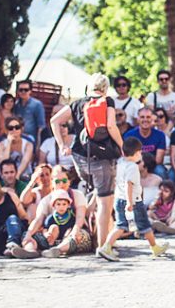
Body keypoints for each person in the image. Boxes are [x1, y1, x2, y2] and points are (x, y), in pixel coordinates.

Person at [50, 72, 124, 251]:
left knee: (97, 195)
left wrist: (62, 145)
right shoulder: (108, 102)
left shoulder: (77, 103)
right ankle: (103, 247)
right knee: (106, 203)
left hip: (80, 158)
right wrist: (122, 146)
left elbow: (54, 121)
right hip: (102, 158)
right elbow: (111, 126)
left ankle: (92, 226)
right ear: (105, 88)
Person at [98, 137, 170, 261]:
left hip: (119, 199)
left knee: (120, 225)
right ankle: (154, 247)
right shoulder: (132, 167)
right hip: (134, 201)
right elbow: (129, 184)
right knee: (144, 225)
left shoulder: (120, 163)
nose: (140, 155)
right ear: (137, 153)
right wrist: (130, 202)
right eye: (140, 152)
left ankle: (107, 246)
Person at [23, 165, 91, 254]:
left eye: (64, 181)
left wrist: (74, 232)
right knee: (27, 233)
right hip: (51, 237)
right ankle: (29, 251)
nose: (61, 184)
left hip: (72, 234)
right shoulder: (46, 200)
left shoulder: (77, 195)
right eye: (57, 181)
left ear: (69, 181)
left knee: (80, 236)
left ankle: (58, 250)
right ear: (52, 181)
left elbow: (80, 218)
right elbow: (39, 219)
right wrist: (29, 235)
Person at [23, 189, 76, 256]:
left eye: (64, 204)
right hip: (50, 240)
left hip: (64, 240)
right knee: (52, 227)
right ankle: (30, 250)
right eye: (58, 204)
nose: (61, 207)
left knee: (72, 239)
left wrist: (68, 235)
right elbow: (45, 229)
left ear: (68, 205)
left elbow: (71, 228)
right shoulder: (51, 218)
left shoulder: (71, 217)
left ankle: (57, 250)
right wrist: (46, 234)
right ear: (54, 206)